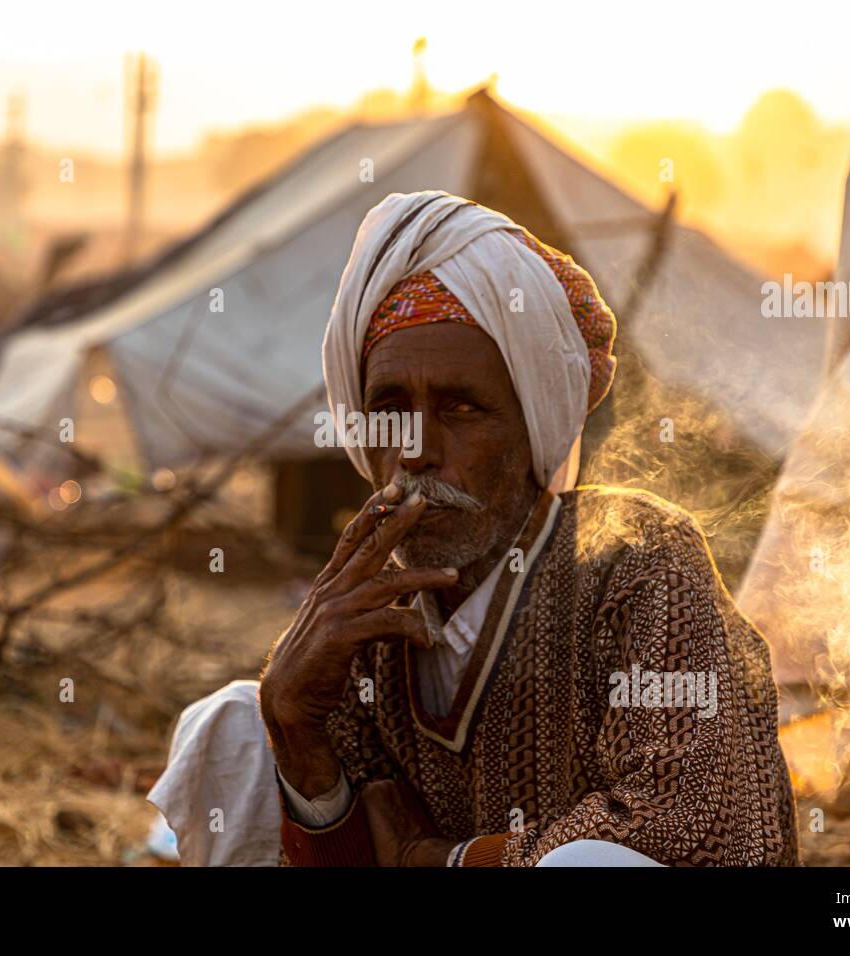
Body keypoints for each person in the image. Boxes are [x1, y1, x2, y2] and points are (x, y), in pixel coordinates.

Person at [150, 191, 797, 867]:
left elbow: (690, 831)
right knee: (232, 726)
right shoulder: (369, 619)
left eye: (461, 408)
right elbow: (350, 858)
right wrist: (295, 726)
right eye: (390, 409)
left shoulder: (639, 563)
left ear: (532, 430)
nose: (416, 451)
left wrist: (438, 860)